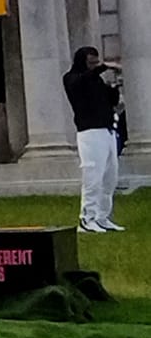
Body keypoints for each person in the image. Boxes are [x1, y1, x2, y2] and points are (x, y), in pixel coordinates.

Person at [63, 46, 125, 232]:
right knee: (93, 176)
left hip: (106, 130)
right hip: (89, 132)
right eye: (90, 63)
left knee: (109, 177)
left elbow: (111, 100)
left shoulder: (96, 81)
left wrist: (116, 83)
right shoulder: (72, 78)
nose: (93, 67)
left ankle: (102, 216)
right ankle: (86, 217)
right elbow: (79, 84)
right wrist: (103, 67)